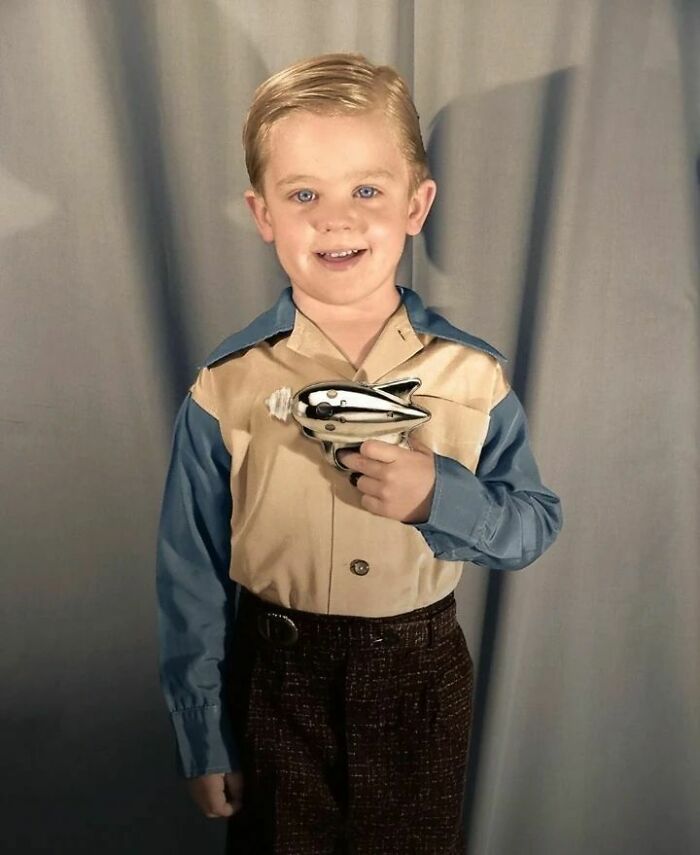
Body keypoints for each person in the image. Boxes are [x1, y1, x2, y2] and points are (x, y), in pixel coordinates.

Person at [155, 52, 563, 854]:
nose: (336, 219)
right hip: (274, 680)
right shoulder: (225, 386)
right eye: (303, 193)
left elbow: (533, 523)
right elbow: (189, 569)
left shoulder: (473, 375)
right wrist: (202, 729)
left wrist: (438, 496)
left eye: (366, 190)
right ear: (262, 211)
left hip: (421, 679)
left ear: (418, 204)